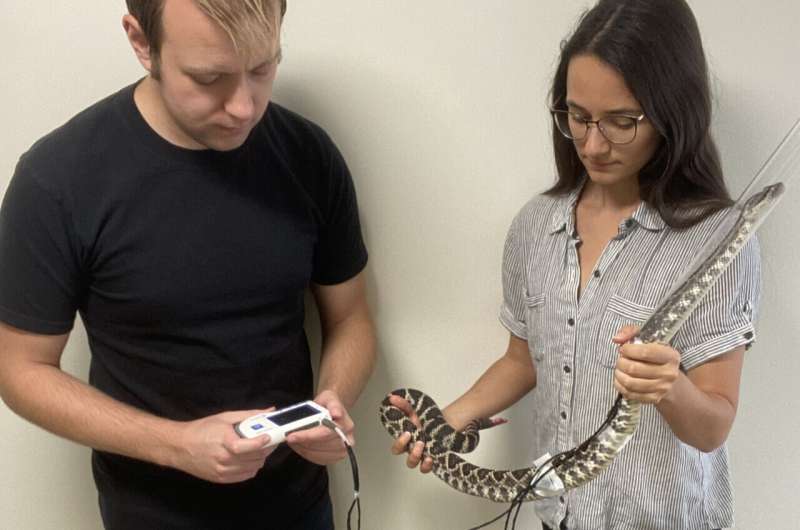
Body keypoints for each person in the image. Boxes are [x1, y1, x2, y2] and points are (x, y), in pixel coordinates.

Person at [0, 1, 376, 529]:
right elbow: (19, 369)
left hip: (299, 506)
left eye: (263, 68)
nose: (245, 107)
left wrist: (332, 400)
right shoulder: (58, 180)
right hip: (150, 514)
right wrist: (176, 446)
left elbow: (351, 318)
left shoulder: (309, 155)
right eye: (210, 78)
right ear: (141, 42)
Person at [389, 0, 759, 528]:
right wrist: (447, 420)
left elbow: (712, 429)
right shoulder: (535, 227)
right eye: (578, 116)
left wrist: (669, 387)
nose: (592, 143)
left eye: (620, 122)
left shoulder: (716, 238)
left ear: (672, 112)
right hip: (558, 517)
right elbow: (523, 360)